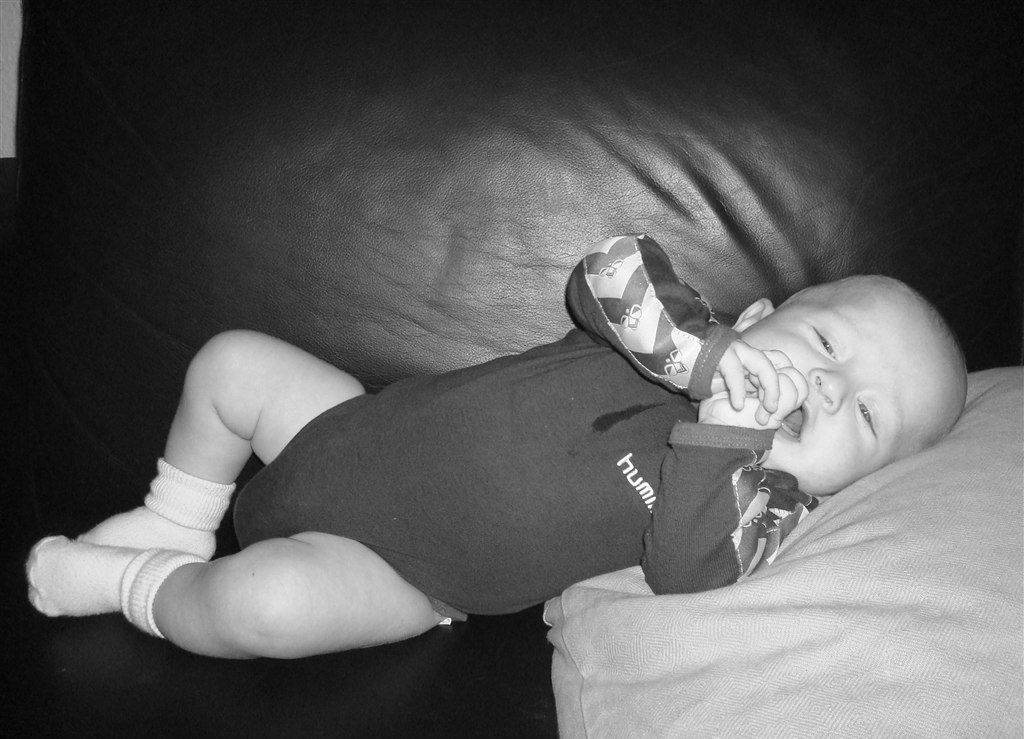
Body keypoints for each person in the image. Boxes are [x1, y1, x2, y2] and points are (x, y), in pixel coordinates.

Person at [25, 235, 967, 659]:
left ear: (859, 482)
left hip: (404, 576)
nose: (828, 387)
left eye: (867, 418)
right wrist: (704, 358)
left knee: (258, 607)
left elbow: (689, 572)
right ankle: (174, 518)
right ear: (757, 317)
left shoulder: (759, 509)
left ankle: (136, 584)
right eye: (827, 343)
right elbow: (606, 270)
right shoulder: (672, 335)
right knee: (231, 361)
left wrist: (729, 432)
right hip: (351, 426)